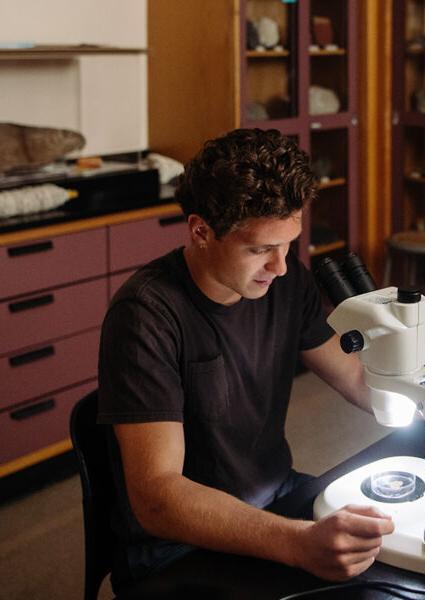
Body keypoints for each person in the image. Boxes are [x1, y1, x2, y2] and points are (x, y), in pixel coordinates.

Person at [97, 129, 394, 591]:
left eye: (288, 244)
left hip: (277, 495)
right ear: (201, 231)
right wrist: (297, 542)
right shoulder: (146, 315)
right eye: (259, 249)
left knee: (389, 569)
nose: (279, 266)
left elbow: (357, 377)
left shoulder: (284, 281)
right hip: (178, 546)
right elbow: (157, 496)